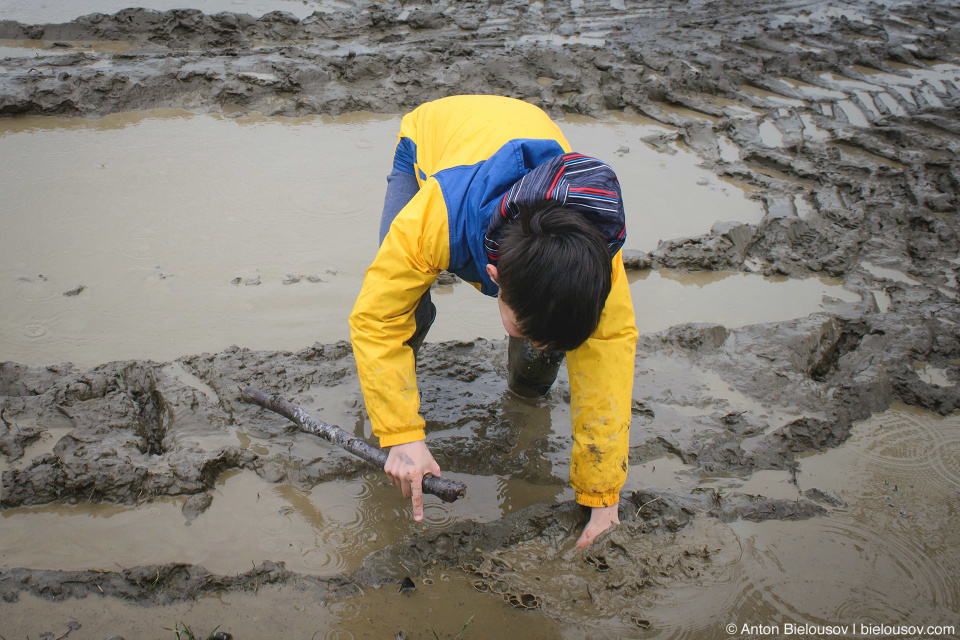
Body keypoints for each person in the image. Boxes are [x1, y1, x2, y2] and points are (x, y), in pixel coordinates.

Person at [349, 95, 637, 549]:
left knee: (550, 333)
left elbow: (608, 353)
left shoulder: (596, 259)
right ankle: (392, 406)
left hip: (525, 130)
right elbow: (376, 315)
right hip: (430, 143)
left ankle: (526, 391)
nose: (539, 344)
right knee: (408, 308)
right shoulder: (438, 217)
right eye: (521, 326)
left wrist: (602, 494)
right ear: (495, 278)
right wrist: (401, 432)